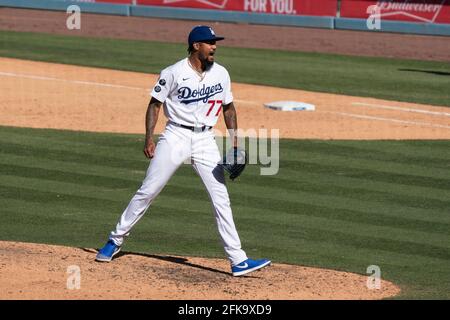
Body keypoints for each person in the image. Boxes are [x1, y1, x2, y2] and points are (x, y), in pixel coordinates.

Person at [95, 25, 270, 277]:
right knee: (149, 190)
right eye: (210, 43)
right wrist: (149, 138)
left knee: (220, 197)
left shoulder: (221, 73)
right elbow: (155, 105)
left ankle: (237, 259)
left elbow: (228, 109)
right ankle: (115, 240)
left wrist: (234, 142)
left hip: (205, 139)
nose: (215, 47)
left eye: (215, 42)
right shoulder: (173, 72)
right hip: (175, 135)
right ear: (196, 45)